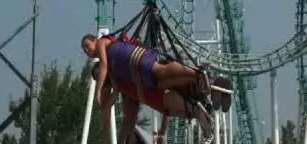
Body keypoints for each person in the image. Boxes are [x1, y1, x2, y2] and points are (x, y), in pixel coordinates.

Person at [91, 61, 213, 144]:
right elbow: (129, 117)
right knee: (181, 110)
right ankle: (199, 103)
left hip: (160, 92)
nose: (106, 81)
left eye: (103, 76)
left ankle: (199, 83)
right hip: (159, 100)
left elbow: (124, 113)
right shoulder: (124, 88)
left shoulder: (124, 76)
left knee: (184, 105)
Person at [81, 33, 214, 108]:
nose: (87, 51)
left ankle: (197, 72)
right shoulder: (111, 68)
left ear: (95, 40)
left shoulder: (102, 44)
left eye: (87, 46)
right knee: (163, 82)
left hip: (134, 58)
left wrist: (97, 91)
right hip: (136, 72)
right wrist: (103, 106)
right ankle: (196, 78)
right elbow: (115, 90)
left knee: (161, 71)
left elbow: (103, 65)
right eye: (85, 50)